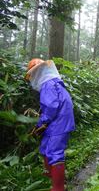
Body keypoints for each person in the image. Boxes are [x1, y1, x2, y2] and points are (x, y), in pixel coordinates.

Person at [26, 58, 75, 191]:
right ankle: (51, 174)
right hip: (57, 120)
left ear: (37, 73)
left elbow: (51, 107)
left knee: (54, 152)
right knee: (45, 147)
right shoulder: (52, 83)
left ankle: (58, 187)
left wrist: (40, 123)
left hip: (59, 122)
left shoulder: (48, 84)